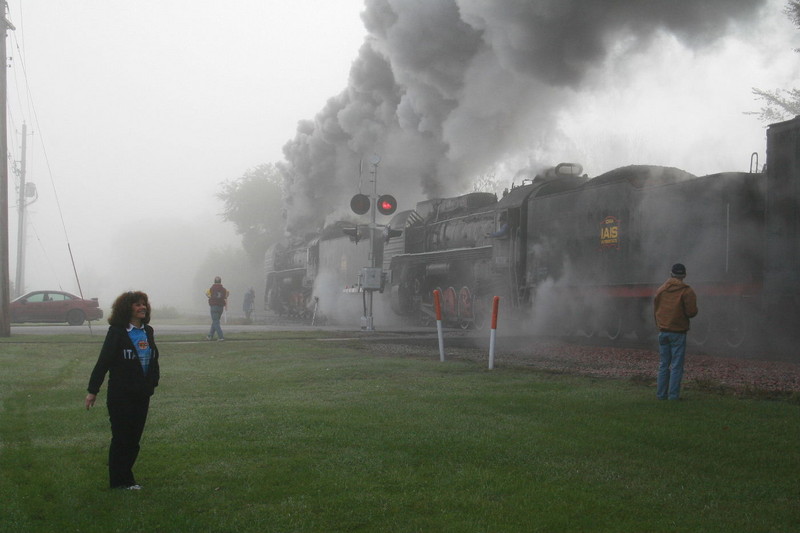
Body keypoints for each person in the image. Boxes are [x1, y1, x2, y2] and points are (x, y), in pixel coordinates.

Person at [85, 291, 160, 490]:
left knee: (134, 439)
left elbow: (154, 359)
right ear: (127, 309)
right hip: (120, 395)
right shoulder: (117, 332)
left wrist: (152, 383)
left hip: (141, 395)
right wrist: (93, 390)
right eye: (137, 305)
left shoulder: (148, 331)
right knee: (121, 438)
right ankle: (119, 481)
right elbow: (104, 361)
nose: (142, 307)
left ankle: (127, 479)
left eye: (144, 304)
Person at [653, 263, 698, 400]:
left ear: (671, 274)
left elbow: (656, 309)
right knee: (677, 366)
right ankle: (673, 396)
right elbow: (691, 312)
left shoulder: (661, 290)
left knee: (663, 365)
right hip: (678, 332)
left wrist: (660, 324)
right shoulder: (687, 291)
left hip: (663, 331)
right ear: (684, 275)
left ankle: (661, 395)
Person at [206, 276, 228, 341]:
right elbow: (226, 296)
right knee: (215, 322)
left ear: (214, 281)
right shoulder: (224, 289)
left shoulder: (211, 288)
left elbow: (207, 295)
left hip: (214, 307)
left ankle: (221, 337)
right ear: (220, 281)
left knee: (216, 322)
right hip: (221, 307)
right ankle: (210, 336)